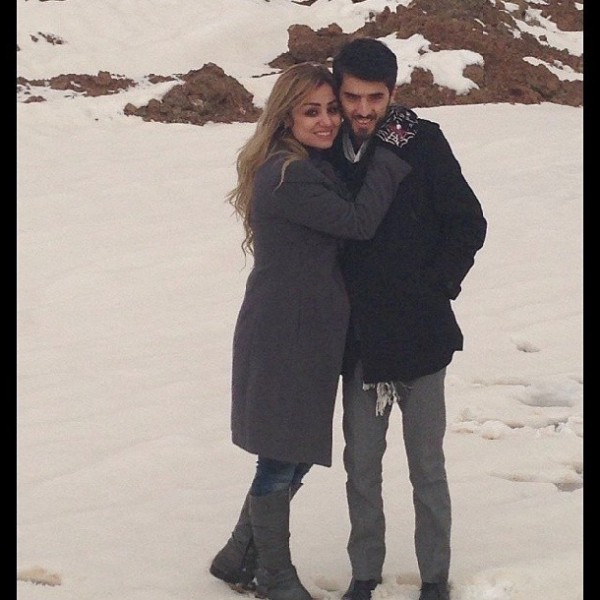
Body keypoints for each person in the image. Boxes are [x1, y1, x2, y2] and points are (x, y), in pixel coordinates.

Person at [208, 62, 412, 600]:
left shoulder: (303, 165)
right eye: (311, 111)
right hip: (287, 331)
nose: (327, 121)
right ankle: (273, 577)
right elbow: (358, 223)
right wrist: (389, 159)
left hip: (304, 328)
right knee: (280, 455)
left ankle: (238, 555)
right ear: (286, 118)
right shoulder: (289, 174)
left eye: (330, 110)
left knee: (291, 449)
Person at [325, 39, 488, 600]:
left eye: (375, 98)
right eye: (352, 97)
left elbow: (468, 222)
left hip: (421, 334)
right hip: (359, 340)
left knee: (427, 467)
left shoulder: (423, 142)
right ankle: (363, 575)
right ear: (339, 91)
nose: (362, 109)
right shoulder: (324, 145)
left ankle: (435, 579)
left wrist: (436, 287)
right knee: (361, 467)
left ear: (392, 93)